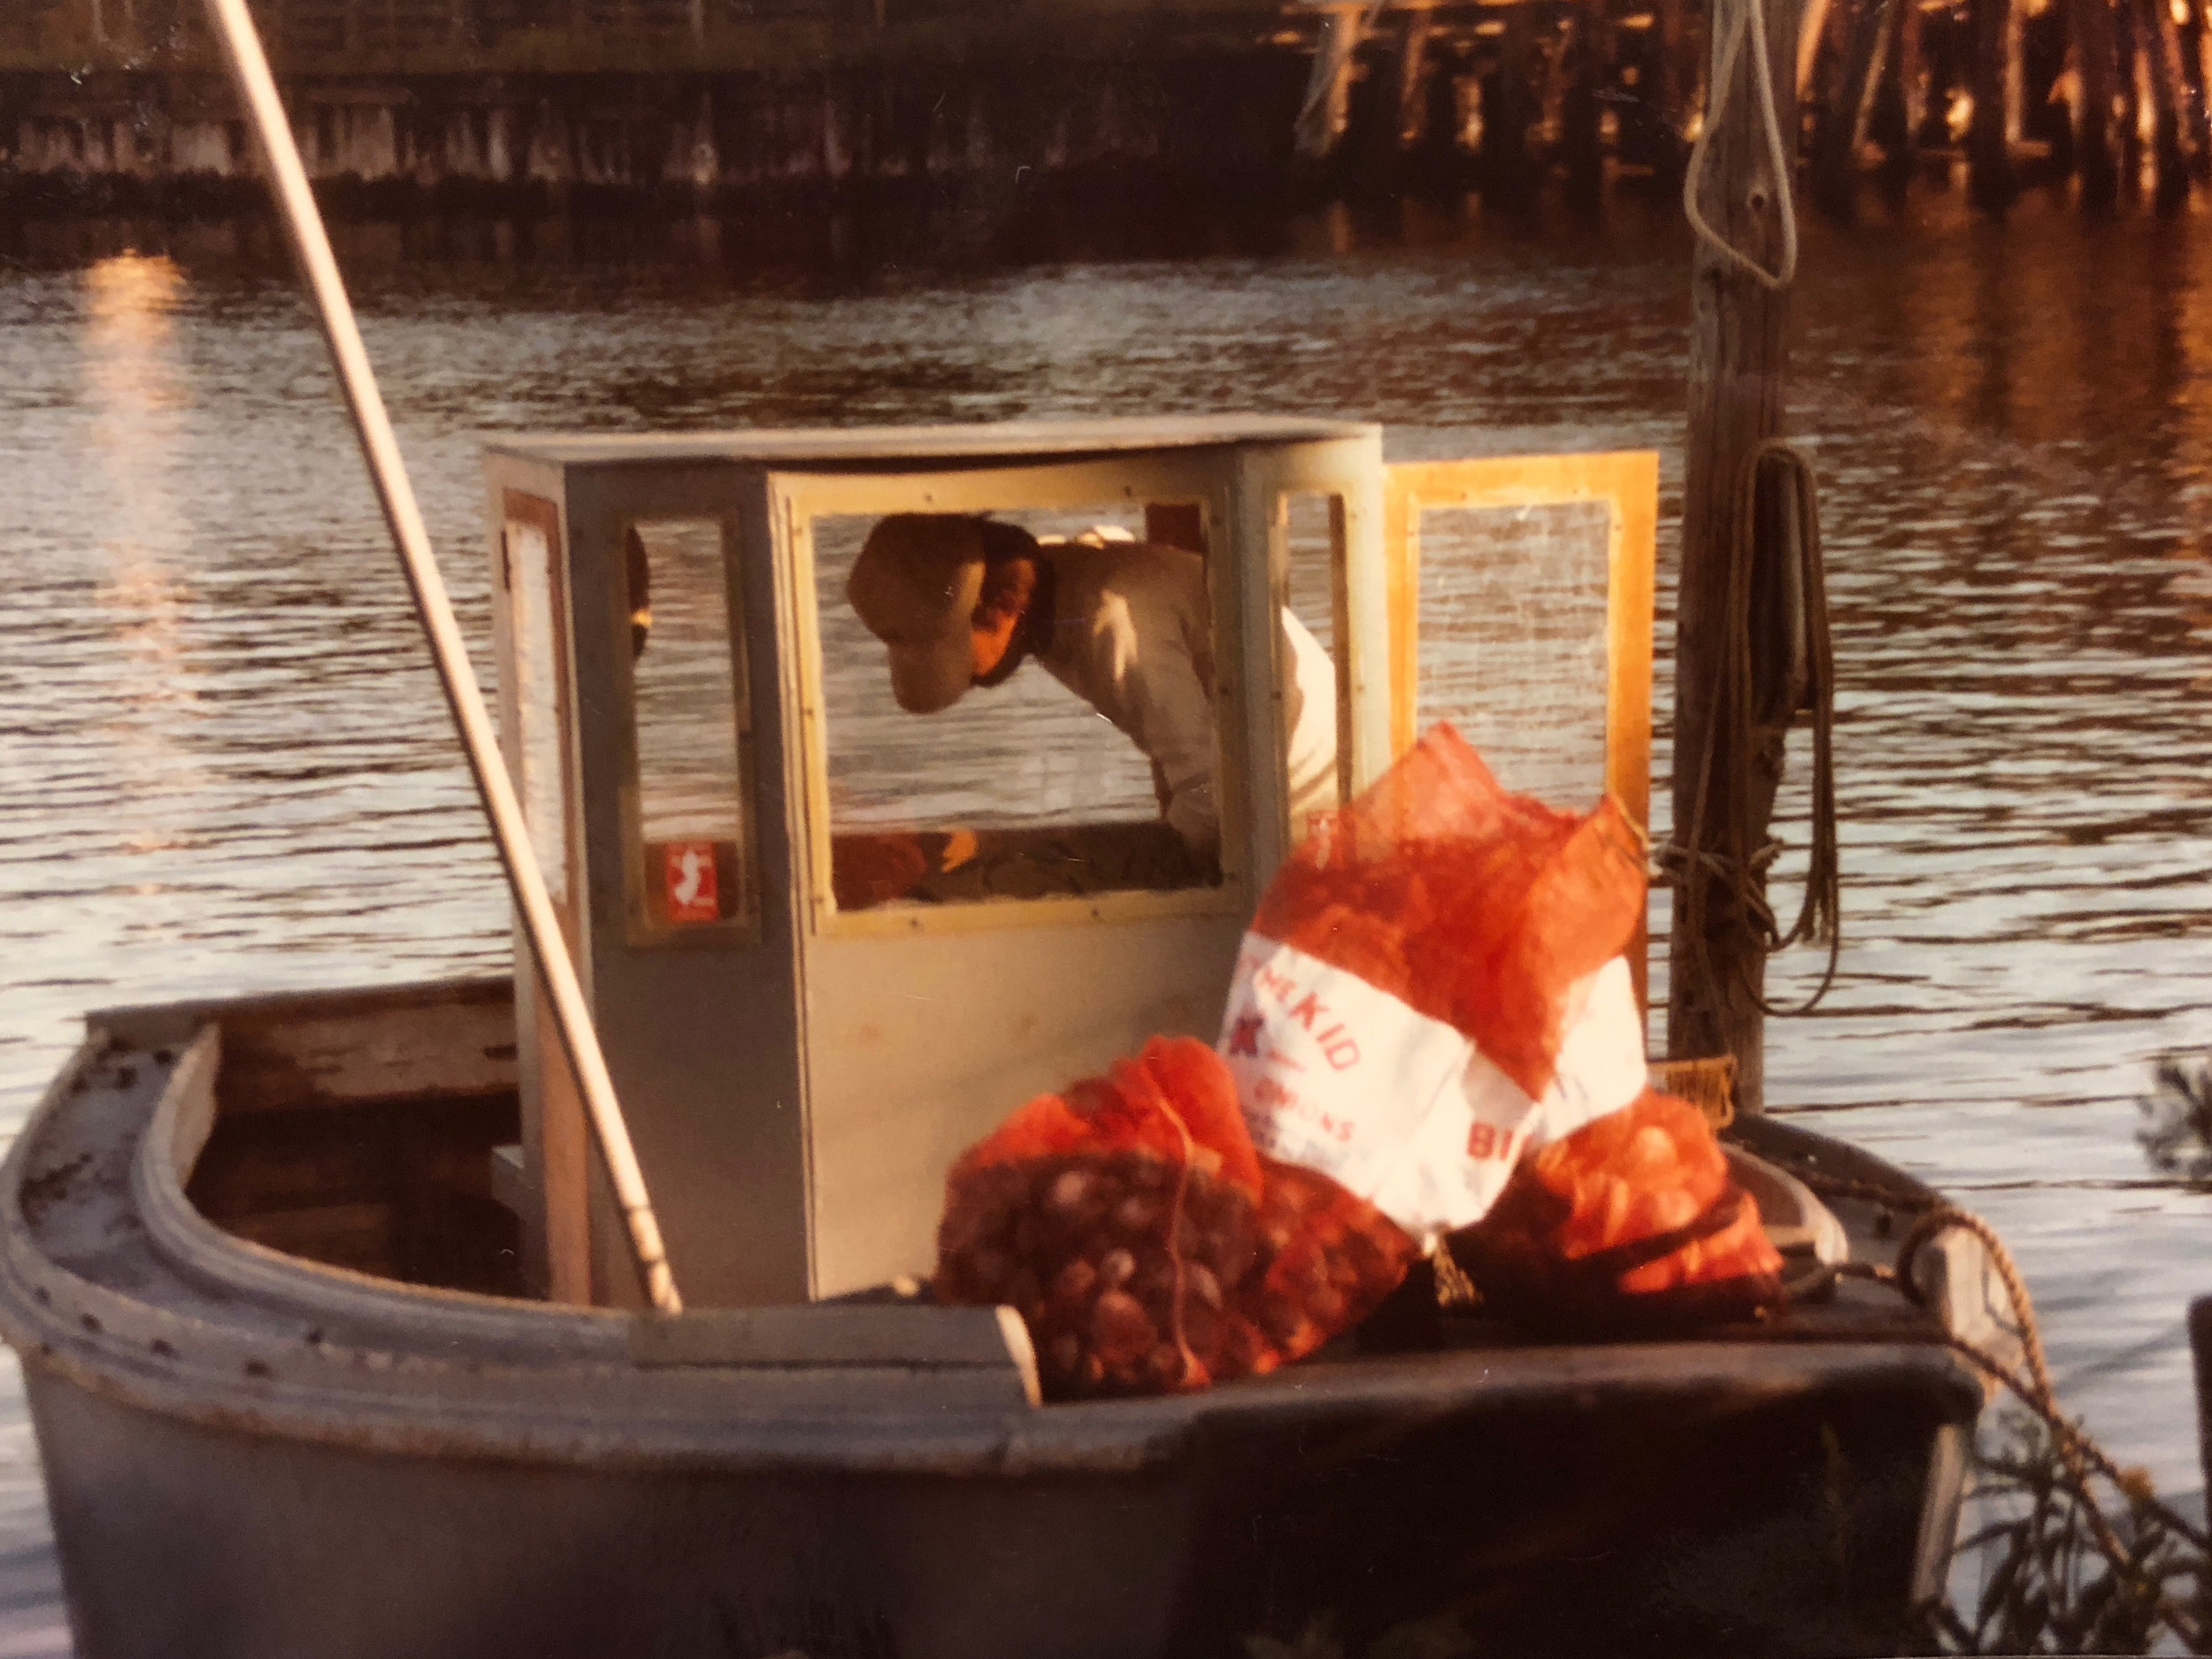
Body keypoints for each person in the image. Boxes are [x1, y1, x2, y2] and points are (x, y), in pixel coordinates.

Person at [845, 513, 1337, 863]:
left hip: (1310, 822)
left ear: (1004, 607)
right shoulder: (1056, 573)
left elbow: (1209, 796)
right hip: (1249, 802)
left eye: (960, 655)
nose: (970, 680)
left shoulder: (1114, 622)